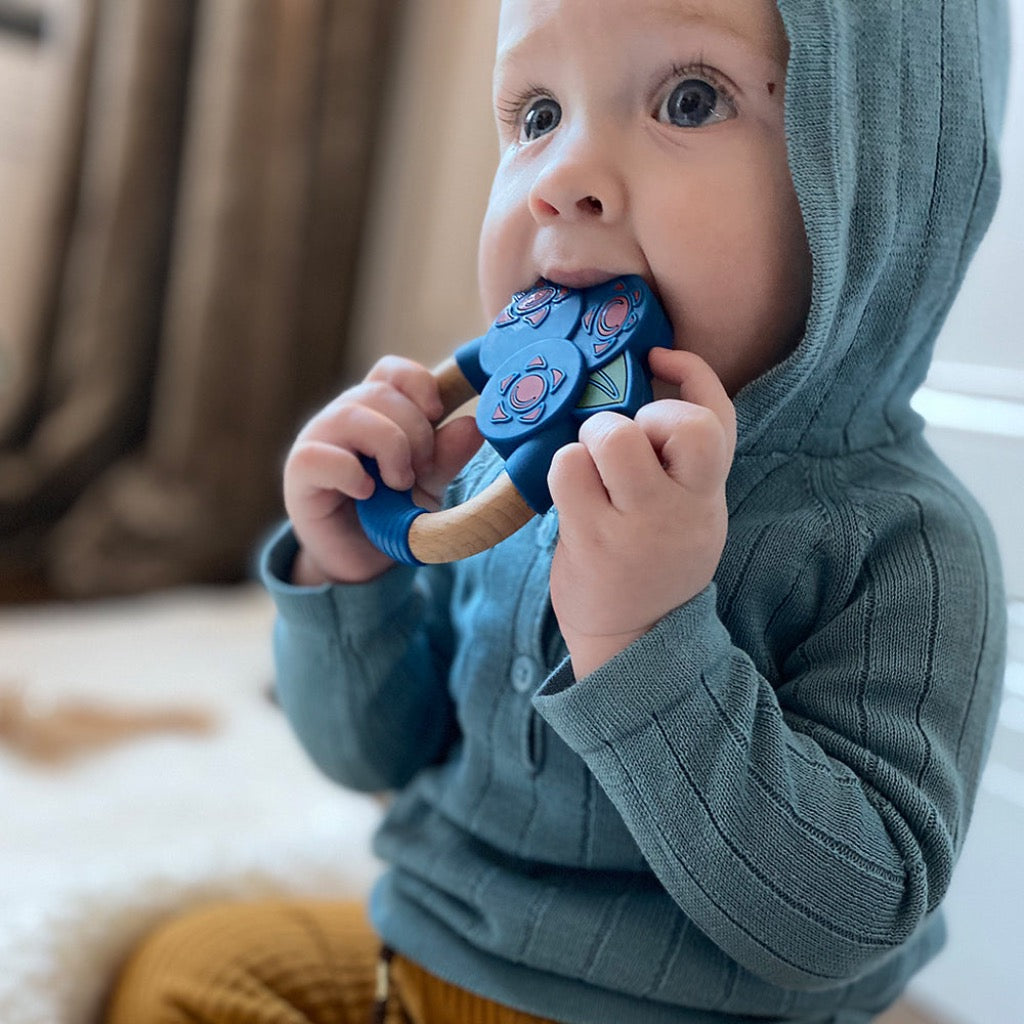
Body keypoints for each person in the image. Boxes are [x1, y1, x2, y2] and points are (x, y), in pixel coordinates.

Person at [104, 0, 1010, 1022]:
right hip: (438, 955)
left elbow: (843, 924)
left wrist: (643, 639)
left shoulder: (906, 544)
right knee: (188, 965)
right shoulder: (505, 465)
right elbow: (377, 758)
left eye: (690, 98)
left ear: (884, 187)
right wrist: (348, 578)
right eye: (536, 113)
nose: (561, 179)